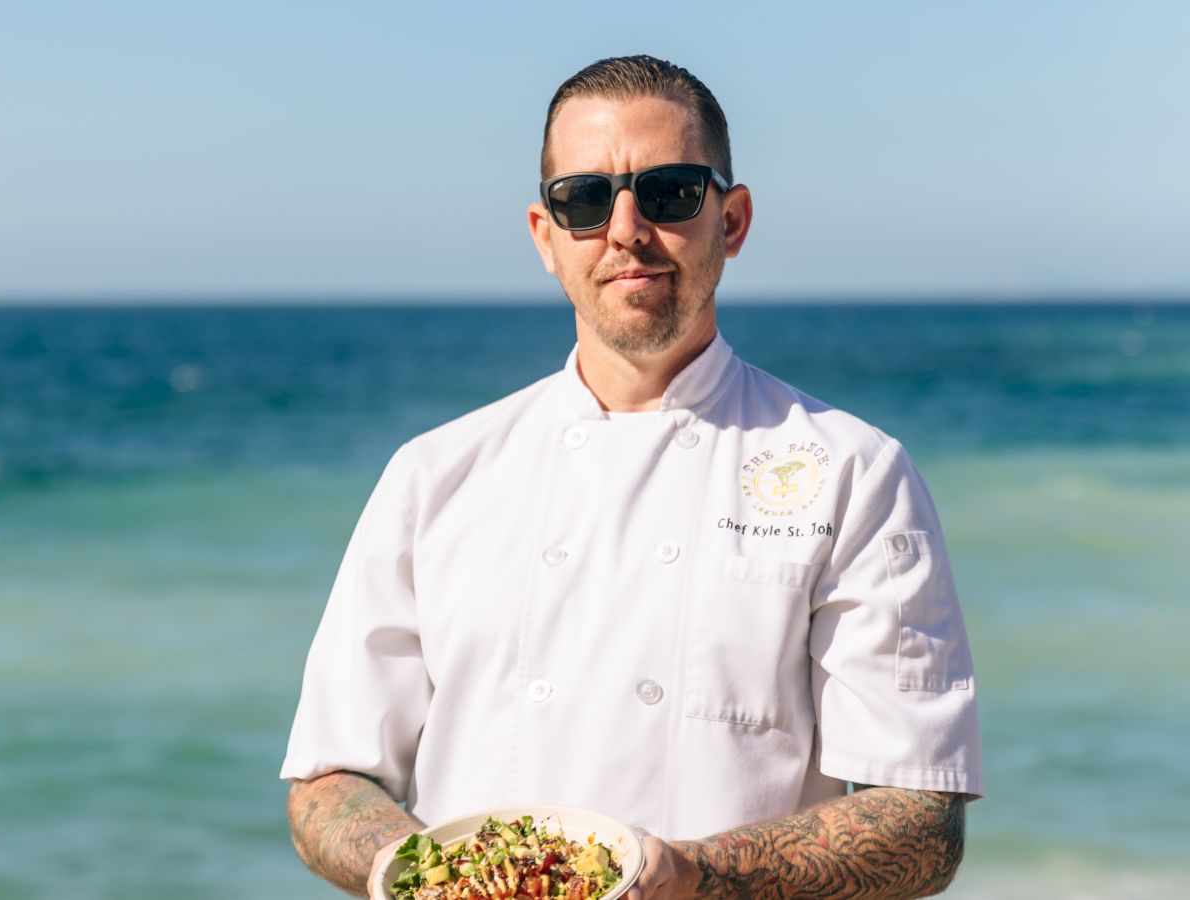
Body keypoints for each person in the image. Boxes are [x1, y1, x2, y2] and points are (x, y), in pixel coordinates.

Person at [282, 55, 983, 899]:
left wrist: (694, 874)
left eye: (670, 192)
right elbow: (329, 780)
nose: (625, 231)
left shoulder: (855, 472)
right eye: (584, 200)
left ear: (733, 219)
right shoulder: (433, 475)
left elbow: (920, 822)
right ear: (546, 237)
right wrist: (417, 874)